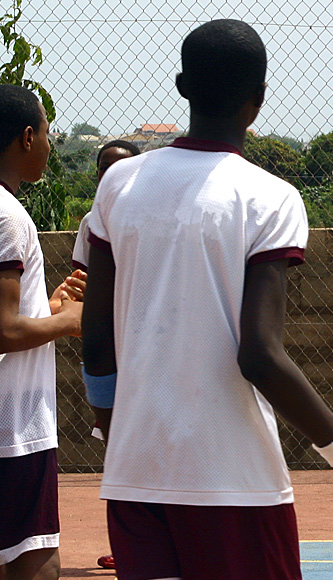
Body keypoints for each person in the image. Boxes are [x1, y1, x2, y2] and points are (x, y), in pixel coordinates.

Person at [81, 19, 333, 580]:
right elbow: (260, 356)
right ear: (260, 98)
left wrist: (119, 430)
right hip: (232, 479)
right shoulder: (271, 198)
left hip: (135, 472)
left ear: (180, 85)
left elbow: (95, 339)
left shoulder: (118, 183)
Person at [0, 85, 85, 580]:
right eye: (49, 134)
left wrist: (47, 308)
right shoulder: (9, 217)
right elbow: (5, 331)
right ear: (27, 137)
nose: (52, 146)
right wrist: (70, 321)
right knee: (38, 561)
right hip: (15, 430)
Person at [70, 139, 140, 572]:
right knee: (118, 452)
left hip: (146, 350)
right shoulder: (91, 223)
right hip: (109, 351)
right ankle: (128, 543)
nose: (112, 178)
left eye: (124, 170)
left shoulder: (153, 219)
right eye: (105, 170)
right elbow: (81, 284)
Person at [71, 140, 141, 273]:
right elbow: (81, 274)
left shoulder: (149, 220)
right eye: (104, 168)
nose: (112, 175)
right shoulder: (90, 221)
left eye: (122, 168)